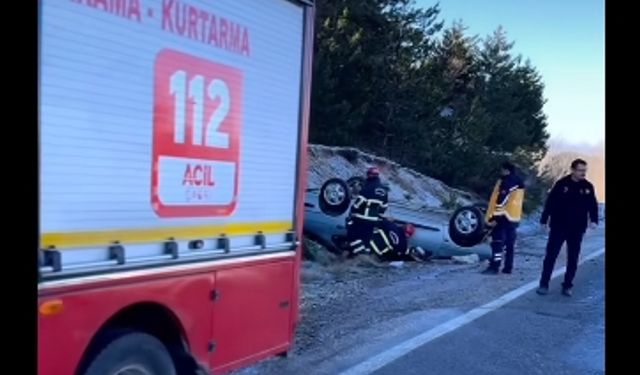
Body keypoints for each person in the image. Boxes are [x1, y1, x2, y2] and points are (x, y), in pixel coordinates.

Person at [537, 159, 599, 296]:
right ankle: (544, 283)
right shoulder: (561, 184)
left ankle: (567, 285)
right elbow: (550, 202)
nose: (583, 173)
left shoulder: (588, 187)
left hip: (577, 228)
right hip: (559, 225)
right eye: (580, 170)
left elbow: (593, 205)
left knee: (573, 257)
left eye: (585, 170)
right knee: (551, 255)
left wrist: (594, 220)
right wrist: (544, 219)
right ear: (573, 170)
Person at [482, 162, 525, 274]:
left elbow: (502, 201)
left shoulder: (506, 183)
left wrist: (495, 219)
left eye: (502, 170)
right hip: (513, 218)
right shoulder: (519, 183)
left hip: (503, 217)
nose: (501, 172)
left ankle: (494, 267)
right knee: (510, 245)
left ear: (506, 170)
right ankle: (508, 267)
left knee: (497, 243)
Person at [346, 167, 389, 255]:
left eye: (368, 174)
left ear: (370, 175)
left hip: (361, 219)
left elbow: (359, 203)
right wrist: (378, 215)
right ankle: (365, 256)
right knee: (366, 240)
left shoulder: (367, 188)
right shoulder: (384, 190)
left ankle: (356, 255)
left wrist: (352, 211)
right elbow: (384, 206)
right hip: (373, 220)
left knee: (353, 236)